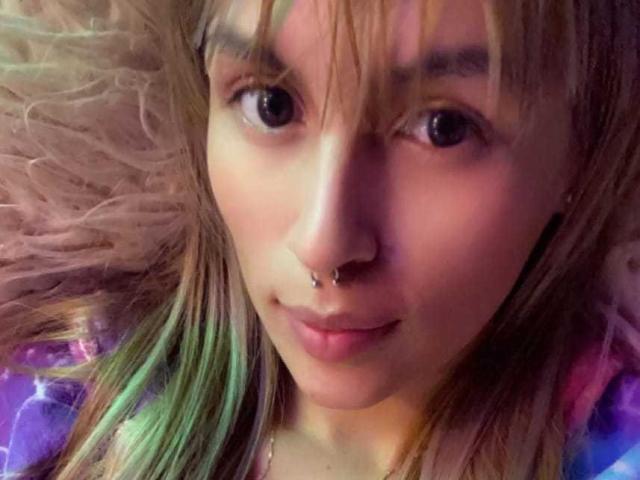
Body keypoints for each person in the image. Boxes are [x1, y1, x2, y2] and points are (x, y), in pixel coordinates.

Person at [0, 0, 639, 478]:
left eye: (443, 128)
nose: (323, 244)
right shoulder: (60, 402)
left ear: (580, 155)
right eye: (269, 104)